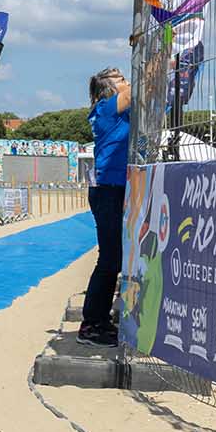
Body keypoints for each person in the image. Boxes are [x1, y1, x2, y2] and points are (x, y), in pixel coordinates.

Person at [80, 68, 131, 345]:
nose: (127, 81)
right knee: (110, 259)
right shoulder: (105, 109)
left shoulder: (120, 112)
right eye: (121, 79)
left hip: (117, 187)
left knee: (117, 257)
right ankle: (91, 324)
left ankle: (100, 319)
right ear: (110, 89)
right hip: (107, 189)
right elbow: (135, 91)